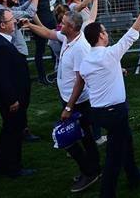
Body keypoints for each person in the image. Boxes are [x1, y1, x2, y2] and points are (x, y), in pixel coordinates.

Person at [70, 0, 140, 198]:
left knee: (127, 139)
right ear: (100, 36)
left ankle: (133, 174)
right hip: (115, 112)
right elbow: (133, 33)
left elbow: (91, 78)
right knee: (114, 156)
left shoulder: (87, 62)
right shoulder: (110, 54)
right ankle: (107, 193)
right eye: (105, 31)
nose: (107, 34)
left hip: (99, 112)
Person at [26, 10, 102, 194]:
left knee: (67, 138)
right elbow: (49, 33)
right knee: (85, 137)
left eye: (65, 23)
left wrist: (69, 106)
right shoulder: (68, 38)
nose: (61, 24)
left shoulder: (80, 47)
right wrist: (29, 26)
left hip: (77, 102)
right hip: (69, 99)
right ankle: (93, 169)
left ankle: (89, 172)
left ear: (73, 27)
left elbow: (80, 80)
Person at [0, 9, 35, 179]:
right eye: (11, 20)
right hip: (11, 99)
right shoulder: (0, 46)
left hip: (10, 97)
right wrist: (12, 99)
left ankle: (2, 164)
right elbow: (2, 77)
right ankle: (13, 167)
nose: (14, 22)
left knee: (9, 131)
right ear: (2, 25)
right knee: (13, 132)